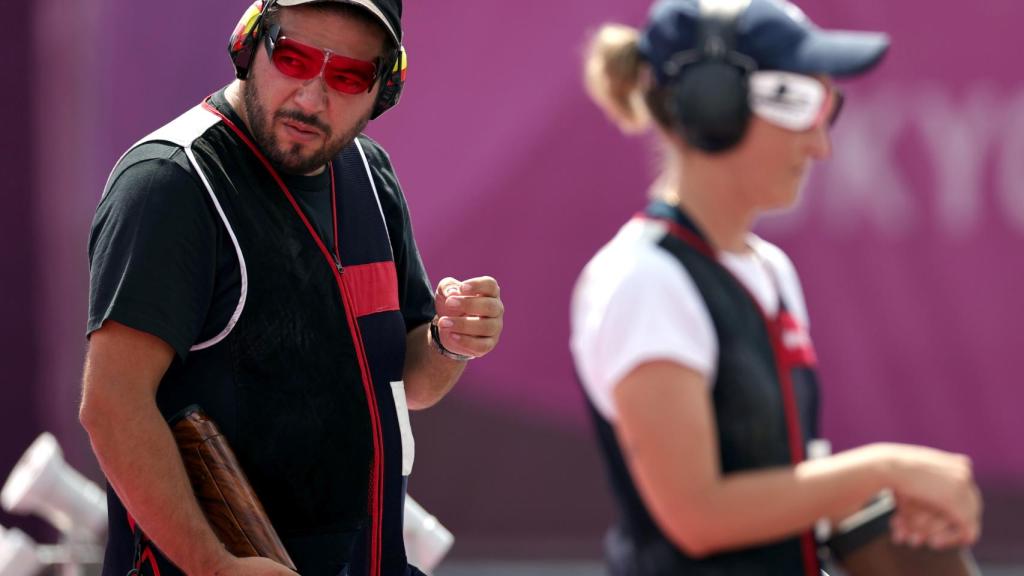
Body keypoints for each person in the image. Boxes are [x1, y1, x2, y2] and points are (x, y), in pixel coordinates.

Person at [79, 1, 504, 575]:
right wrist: (215, 566)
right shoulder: (169, 184)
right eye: (293, 57)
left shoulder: (370, 177)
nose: (310, 97)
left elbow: (411, 383)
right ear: (249, 43)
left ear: (386, 87)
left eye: (349, 75)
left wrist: (451, 339)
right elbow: (111, 404)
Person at [570, 0, 981, 574]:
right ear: (714, 106)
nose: (821, 145)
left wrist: (882, 514)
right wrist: (885, 471)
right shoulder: (644, 282)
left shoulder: (769, 269)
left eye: (828, 108)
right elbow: (698, 514)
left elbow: (776, 481)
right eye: (798, 105)